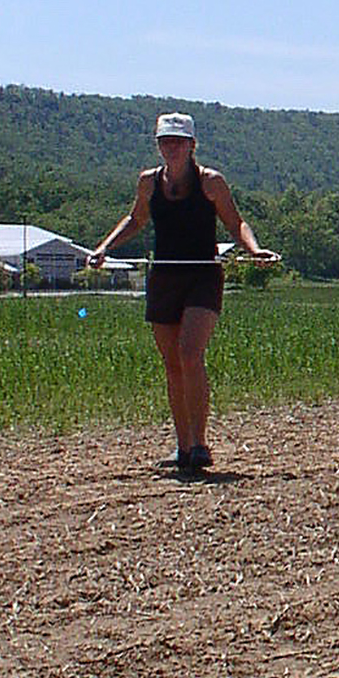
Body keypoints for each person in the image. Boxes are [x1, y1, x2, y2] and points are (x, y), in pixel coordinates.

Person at [88, 112, 278, 472]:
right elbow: (136, 219)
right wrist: (104, 248)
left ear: (192, 145)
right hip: (164, 277)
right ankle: (184, 447)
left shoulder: (211, 183)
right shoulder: (148, 183)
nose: (171, 148)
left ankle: (201, 442)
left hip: (202, 276)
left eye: (177, 142)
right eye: (165, 141)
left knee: (190, 353)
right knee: (172, 364)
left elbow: (235, 222)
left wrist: (254, 250)